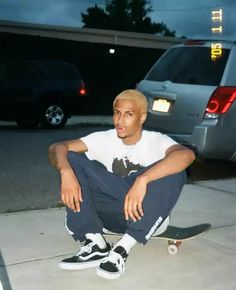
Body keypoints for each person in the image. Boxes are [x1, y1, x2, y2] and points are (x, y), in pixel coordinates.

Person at [48, 89, 195, 280]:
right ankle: (94, 243)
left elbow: (186, 155)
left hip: (144, 214)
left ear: (142, 117)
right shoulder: (105, 138)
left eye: (128, 114)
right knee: (69, 158)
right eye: (117, 113)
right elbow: (57, 147)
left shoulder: (155, 140)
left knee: (174, 171)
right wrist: (66, 172)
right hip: (110, 214)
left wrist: (143, 180)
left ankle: (122, 249)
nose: (119, 121)